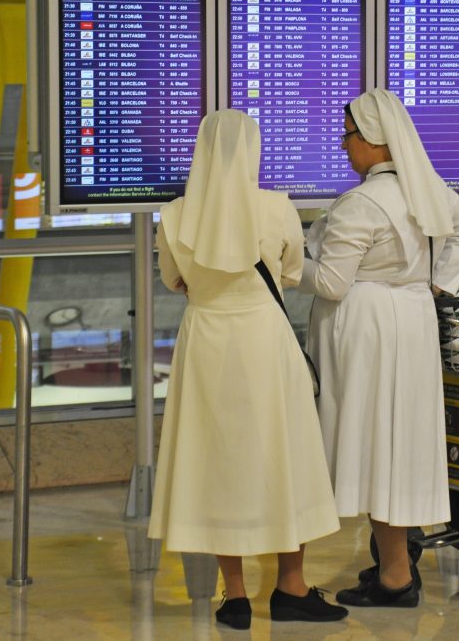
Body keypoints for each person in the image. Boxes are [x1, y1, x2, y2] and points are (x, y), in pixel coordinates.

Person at [147, 109, 348, 630]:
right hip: (264, 341)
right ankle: (291, 587)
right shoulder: (277, 207)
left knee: (218, 462)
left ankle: (234, 596)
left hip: (205, 343)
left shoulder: (174, 215)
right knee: (285, 456)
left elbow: (173, 280)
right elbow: (292, 272)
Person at [300, 89, 459, 607]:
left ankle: (396, 576)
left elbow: (332, 282)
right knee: (398, 444)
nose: (343, 145)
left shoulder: (361, 203)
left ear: (374, 139)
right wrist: (435, 282)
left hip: (366, 329)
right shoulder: (423, 186)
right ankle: (394, 570)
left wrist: (285, 264)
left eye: (348, 135)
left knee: (368, 443)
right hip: (412, 320)